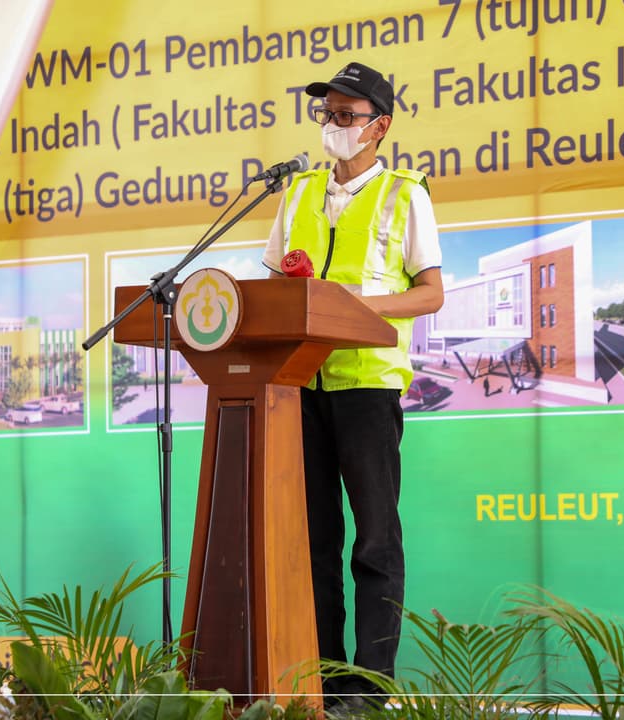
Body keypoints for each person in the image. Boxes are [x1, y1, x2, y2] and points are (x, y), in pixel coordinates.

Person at [262, 61, 444, 712]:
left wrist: (354, 305)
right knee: (313, 543)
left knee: (374, 541)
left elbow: (431, 294)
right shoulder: (299, 192)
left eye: (346, 115)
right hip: (299, 385)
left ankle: (370, 690)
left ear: (379, 127)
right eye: (326, 114)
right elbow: (279, 287)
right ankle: (325, 682)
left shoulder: (405, 193)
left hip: (367, 384)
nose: (333, 126)